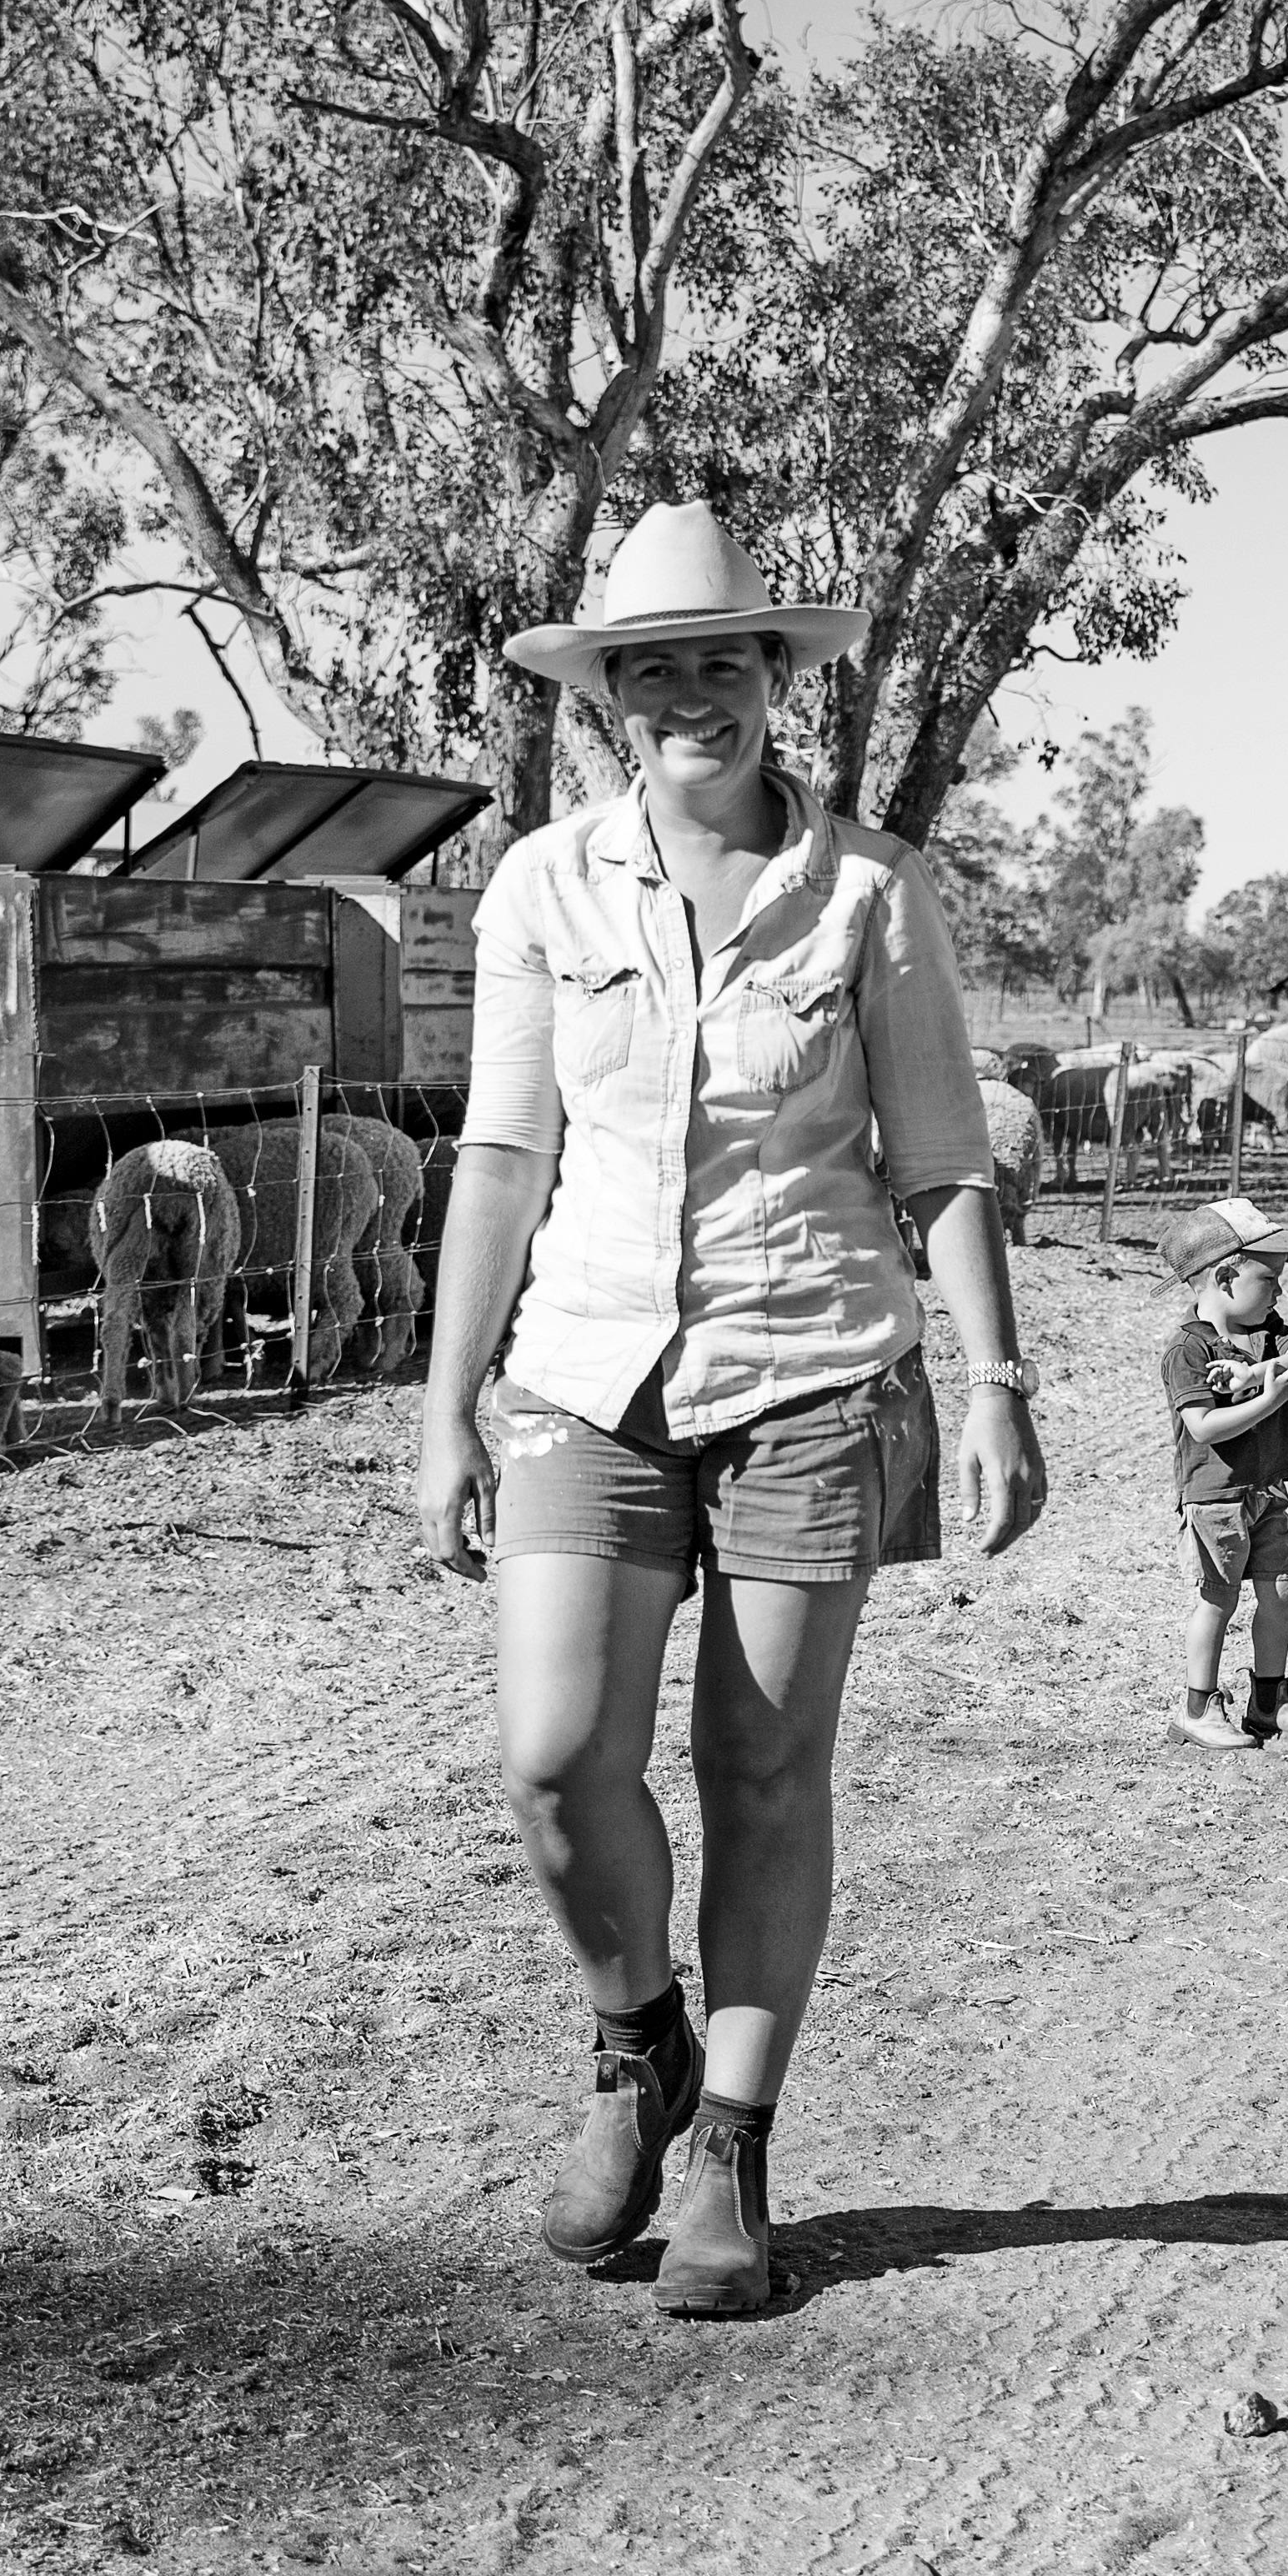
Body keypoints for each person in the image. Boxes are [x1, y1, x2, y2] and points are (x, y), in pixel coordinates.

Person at [416, 499, 1046, 2318]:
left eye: (724, 660)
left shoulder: (869, 893)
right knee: (556, 1761)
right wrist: (445, 1407)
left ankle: (734, 2156)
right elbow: (502, 1152)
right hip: (586, 1377)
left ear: (781, 679)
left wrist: (994, 1384)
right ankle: (640, 2044)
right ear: (613, 695)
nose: (693, 693)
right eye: (655, 667)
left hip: (813, 1371)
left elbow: (940, 1159)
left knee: (761, 1767)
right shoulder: (544, 883)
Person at [1160, 1195, 1288, 1752]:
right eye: (1271, 1277)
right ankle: (1196, 1707)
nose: (1280, 1290)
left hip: (1267, 1490)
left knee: (1279, 1591)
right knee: (1218, 1598)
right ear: (1226, 1276)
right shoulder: (1187, 1349)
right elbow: (1206, 1427)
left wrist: (1257, 1373)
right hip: (1216, 1497)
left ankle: (1269, 1700)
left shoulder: (1266, 1332)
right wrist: (1272, 1394)